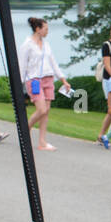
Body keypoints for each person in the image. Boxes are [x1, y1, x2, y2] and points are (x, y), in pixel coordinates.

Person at [20, 17, 71, 152]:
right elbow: (22, 65)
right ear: (38, 29)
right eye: (46, 29)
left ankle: (42, 142)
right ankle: (25, 130)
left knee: (46, 112)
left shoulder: (46, 44)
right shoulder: (27, 44)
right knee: (41, 109)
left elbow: (53, 62)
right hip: (34, 80)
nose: (47, 31)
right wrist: (20, 84)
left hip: (48, 79)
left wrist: (63, 80)